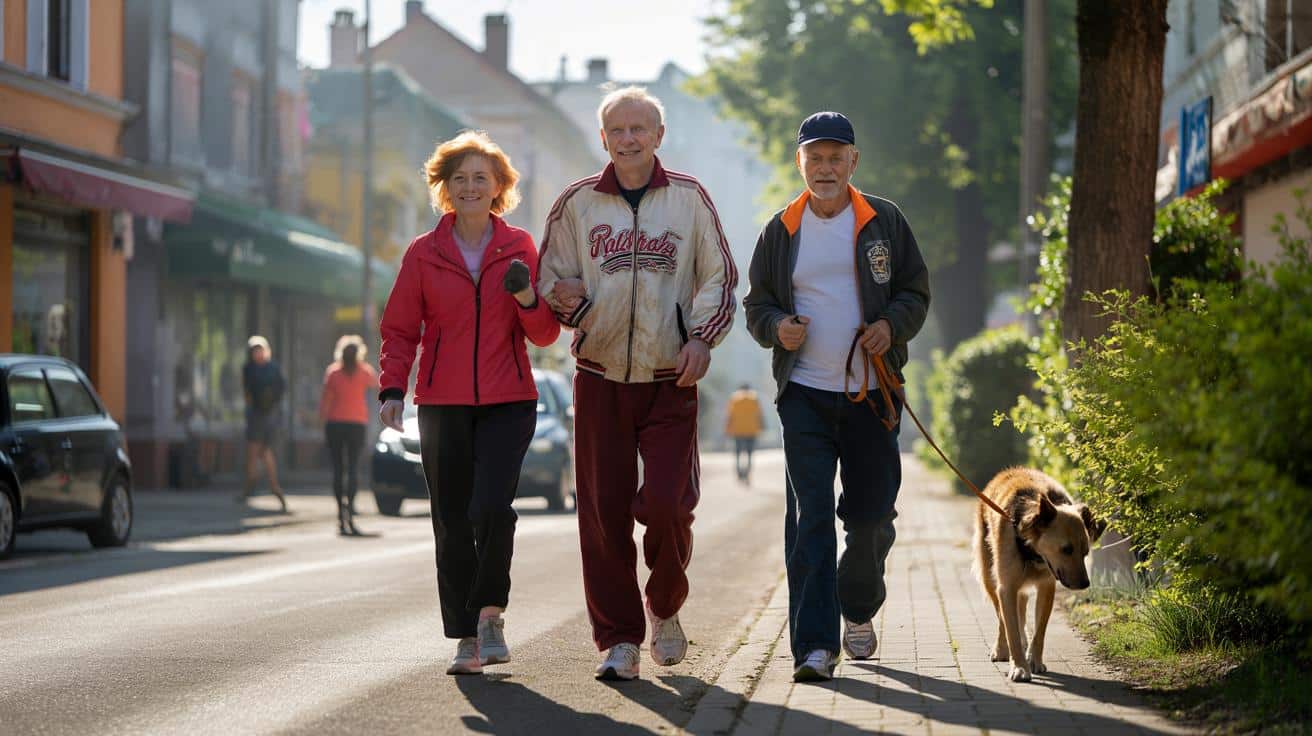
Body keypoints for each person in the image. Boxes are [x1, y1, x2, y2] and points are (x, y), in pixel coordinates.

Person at [537, 86, 738, 681]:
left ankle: (666, 608)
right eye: (617, 130)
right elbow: (554, 274)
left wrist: (702, 337)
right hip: (599, 377)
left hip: (670, 376)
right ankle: (619, 640)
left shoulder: (689, 199)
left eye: (639, 129)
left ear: (658, 136)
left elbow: (718, 276)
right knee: (601, 514)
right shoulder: (576, 204)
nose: (628, 139)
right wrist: (567, 299)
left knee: (670, 504)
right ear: (604, 139)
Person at [743, 112, 930, 682]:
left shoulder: (884, 221)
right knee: (811, 521)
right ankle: (815, 647)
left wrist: (890, 327)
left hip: (873, 396)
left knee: (873, 519)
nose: (824, 168)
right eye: (814, 158)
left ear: (853, 161)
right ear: (799, 163)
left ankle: (858, 606)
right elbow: (757, 306)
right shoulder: (782, 228)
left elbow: (915, 293)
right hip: (804, 396)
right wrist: (778, 328)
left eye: (835, 157)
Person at [377, 130, 560, 676]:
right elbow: (400, 327)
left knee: (491, 509)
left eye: (482, 177)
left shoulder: (520, 247)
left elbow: (547, 334)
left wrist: (527, 297)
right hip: (441, 402)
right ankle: (464, 637)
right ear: (445, 189)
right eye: (460, 178)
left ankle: (489, 615)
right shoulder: (423, 253)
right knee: (451, 518)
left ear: (499, 186)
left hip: (509, 400)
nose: (471, 186)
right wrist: (391, 387)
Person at [319, 334, 379, 536]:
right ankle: (351, 512)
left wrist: (321, 423)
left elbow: (325, 402)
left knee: (338, 469)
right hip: (357, 424)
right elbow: (379, 385)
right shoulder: (364, 372)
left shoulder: (333, 373)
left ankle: (339, 514)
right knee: (353, 468)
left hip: (335, 424)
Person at [241, 335, 289, 512]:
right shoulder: (249, 369)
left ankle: (273, 487)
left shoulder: (273, 368)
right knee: (253, 452)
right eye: (254, 350)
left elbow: (281, 389)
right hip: (255, 414)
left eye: (260, 350)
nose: (257, 353)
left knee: (264, 451)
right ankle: (250, 486)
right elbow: (246, 393)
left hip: (269, 415)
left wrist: (271, 401)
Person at [723, 383, 764, 483]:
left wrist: (727, 428)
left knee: (738, 453)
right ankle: (747, 473)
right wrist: (761, 427)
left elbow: (730, 415)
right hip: (751, 429)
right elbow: (759, 415)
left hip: (738, 430)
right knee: (750, 453)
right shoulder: (754, 398)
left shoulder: (735, 398)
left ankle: (739, 473)